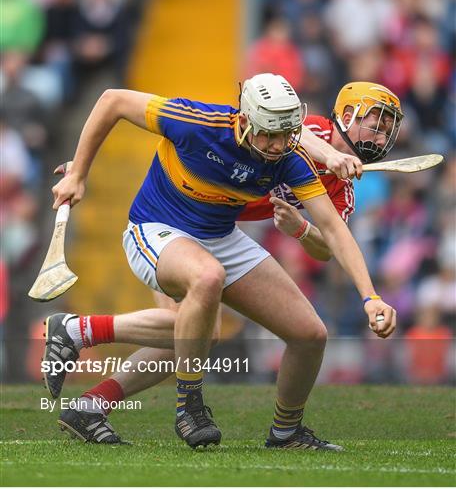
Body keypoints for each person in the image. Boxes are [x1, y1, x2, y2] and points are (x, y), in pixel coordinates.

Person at [48, 74, 399, 450]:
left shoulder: (287, 155)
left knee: (307, 334)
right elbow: (112, 99)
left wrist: (370, 297)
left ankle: (285, 432)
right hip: (157, 227)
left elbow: (333, 231)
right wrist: (80, 174)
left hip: (220, 235)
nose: (277, 146)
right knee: (206, 283)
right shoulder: (198, 124)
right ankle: (189, 406)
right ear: (245, 121)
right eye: (269, 135)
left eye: (286, 136)